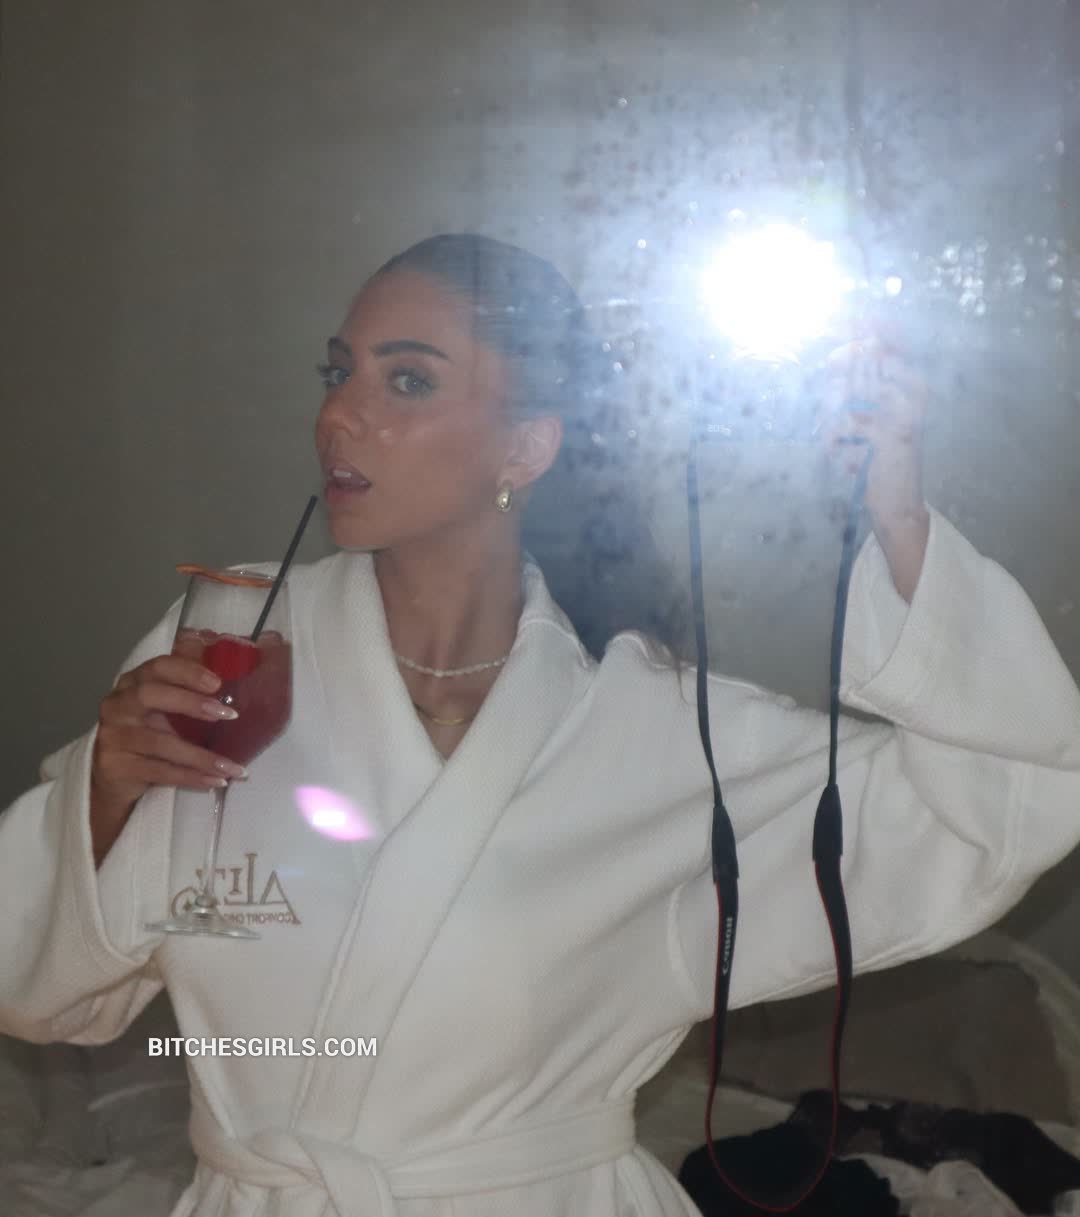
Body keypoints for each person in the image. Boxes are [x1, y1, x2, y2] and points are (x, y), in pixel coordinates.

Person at [2, 232, 1079, 1217]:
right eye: (339, 373)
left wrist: (898, 513)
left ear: (525, 447)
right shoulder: (231, 653)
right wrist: (103, 797)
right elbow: (37, 994)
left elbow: (1013, 792)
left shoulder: (661, 736)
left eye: (407, 380)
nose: (341, 416)